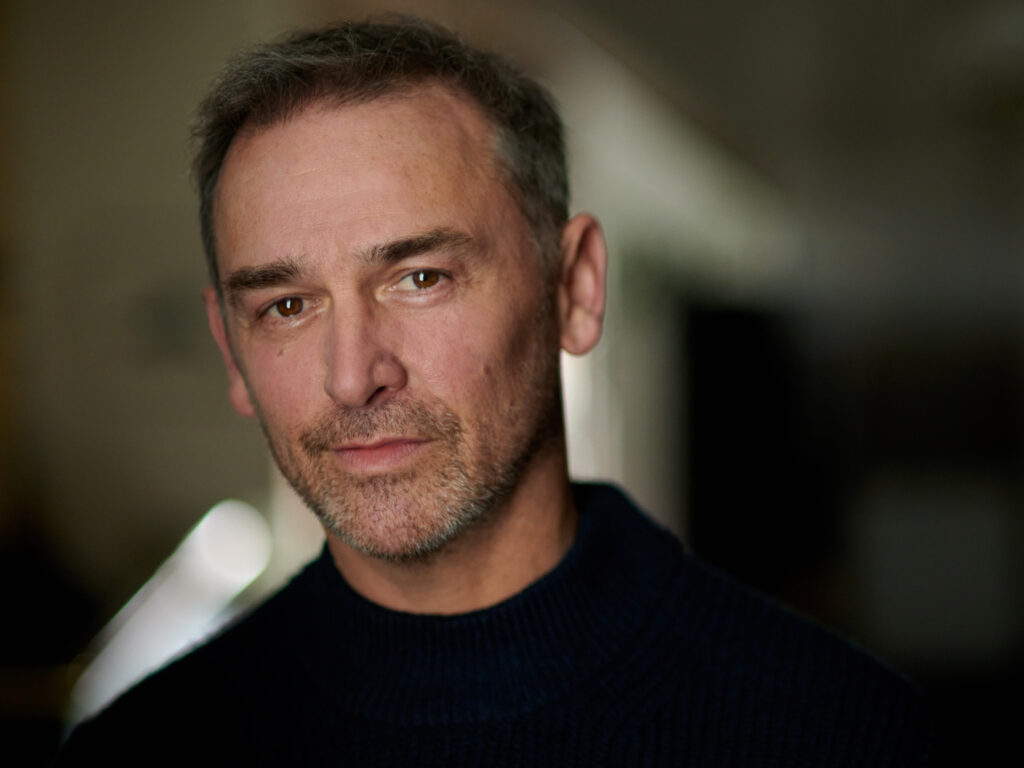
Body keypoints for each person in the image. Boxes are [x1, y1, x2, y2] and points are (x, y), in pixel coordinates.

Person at [57, 17, 934, 766]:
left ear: (576, 289)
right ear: (230, 351)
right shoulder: (141, 753)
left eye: (421, 278)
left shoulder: (838, 733)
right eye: (286, 306)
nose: (354, 374)